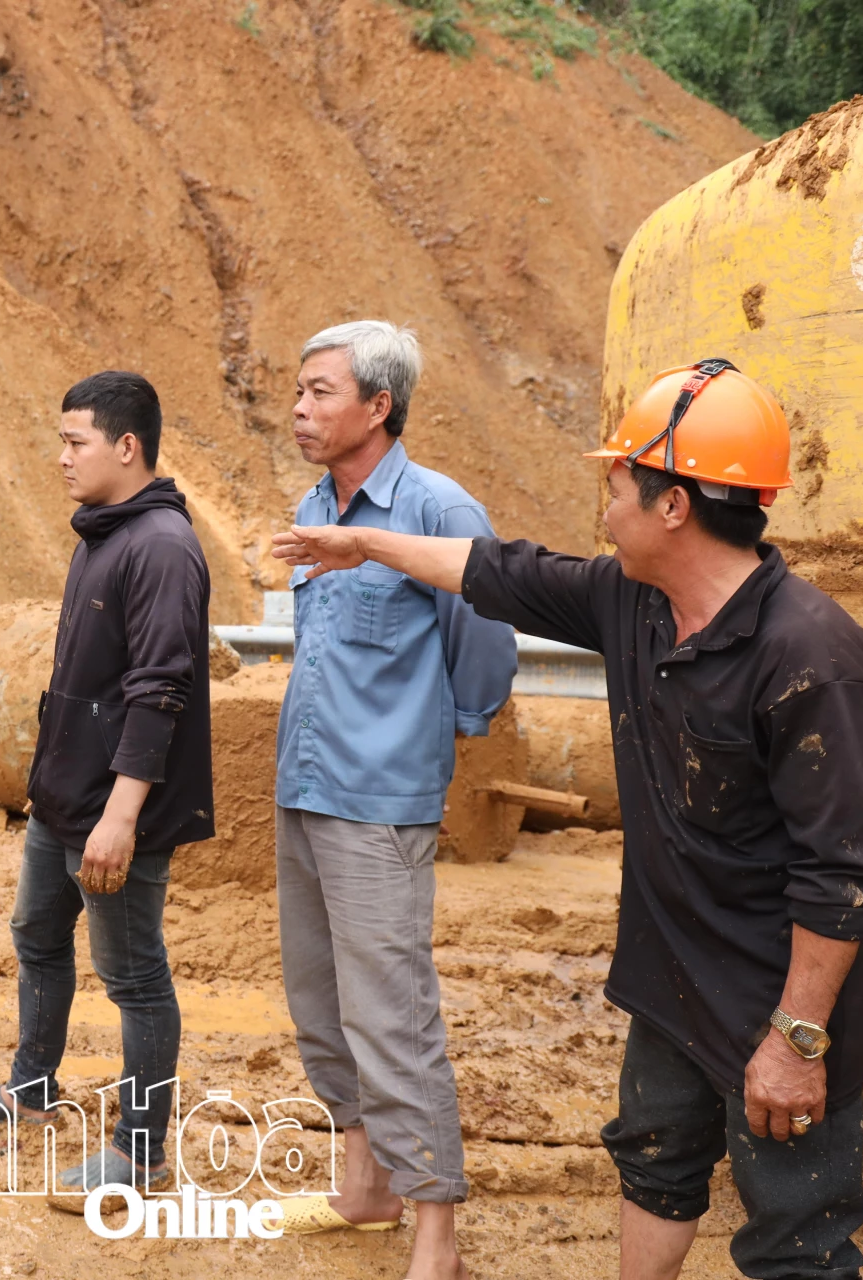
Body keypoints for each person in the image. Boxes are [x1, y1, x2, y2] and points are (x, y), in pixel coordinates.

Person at [273, 359, 863, 1280]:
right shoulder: (634, 603)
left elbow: (845, 876)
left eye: (615, 488)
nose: (604, 511)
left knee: (795, 1238)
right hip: (670, 980)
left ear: (673, 505)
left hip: (775, 1002)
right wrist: (365, 545)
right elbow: (492, 571)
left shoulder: (813, 659)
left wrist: (796, 1039)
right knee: (654, 1169)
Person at [263, 322, 511, 1280]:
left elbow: (485, 642)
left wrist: (438, 734)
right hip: (305, 783)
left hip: (379, 799)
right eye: (298, 391)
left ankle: (435, 1233)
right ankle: (365, 1187)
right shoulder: (313, 505)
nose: (299, 409)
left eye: (320, 392)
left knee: (392, 1014)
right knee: (320, 1002)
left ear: (379, 406)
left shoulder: (439, 510)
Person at [0, 371, 213, 1198]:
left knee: (134, 976)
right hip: (65, 799)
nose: (61, 457)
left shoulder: (161, 547)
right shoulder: (104, 533)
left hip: (115, 811)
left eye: (76, 442)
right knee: (37, 933)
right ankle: (32, 1089)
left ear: (127, 446)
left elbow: (160, 691)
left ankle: (142, 1153)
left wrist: (121, 817)